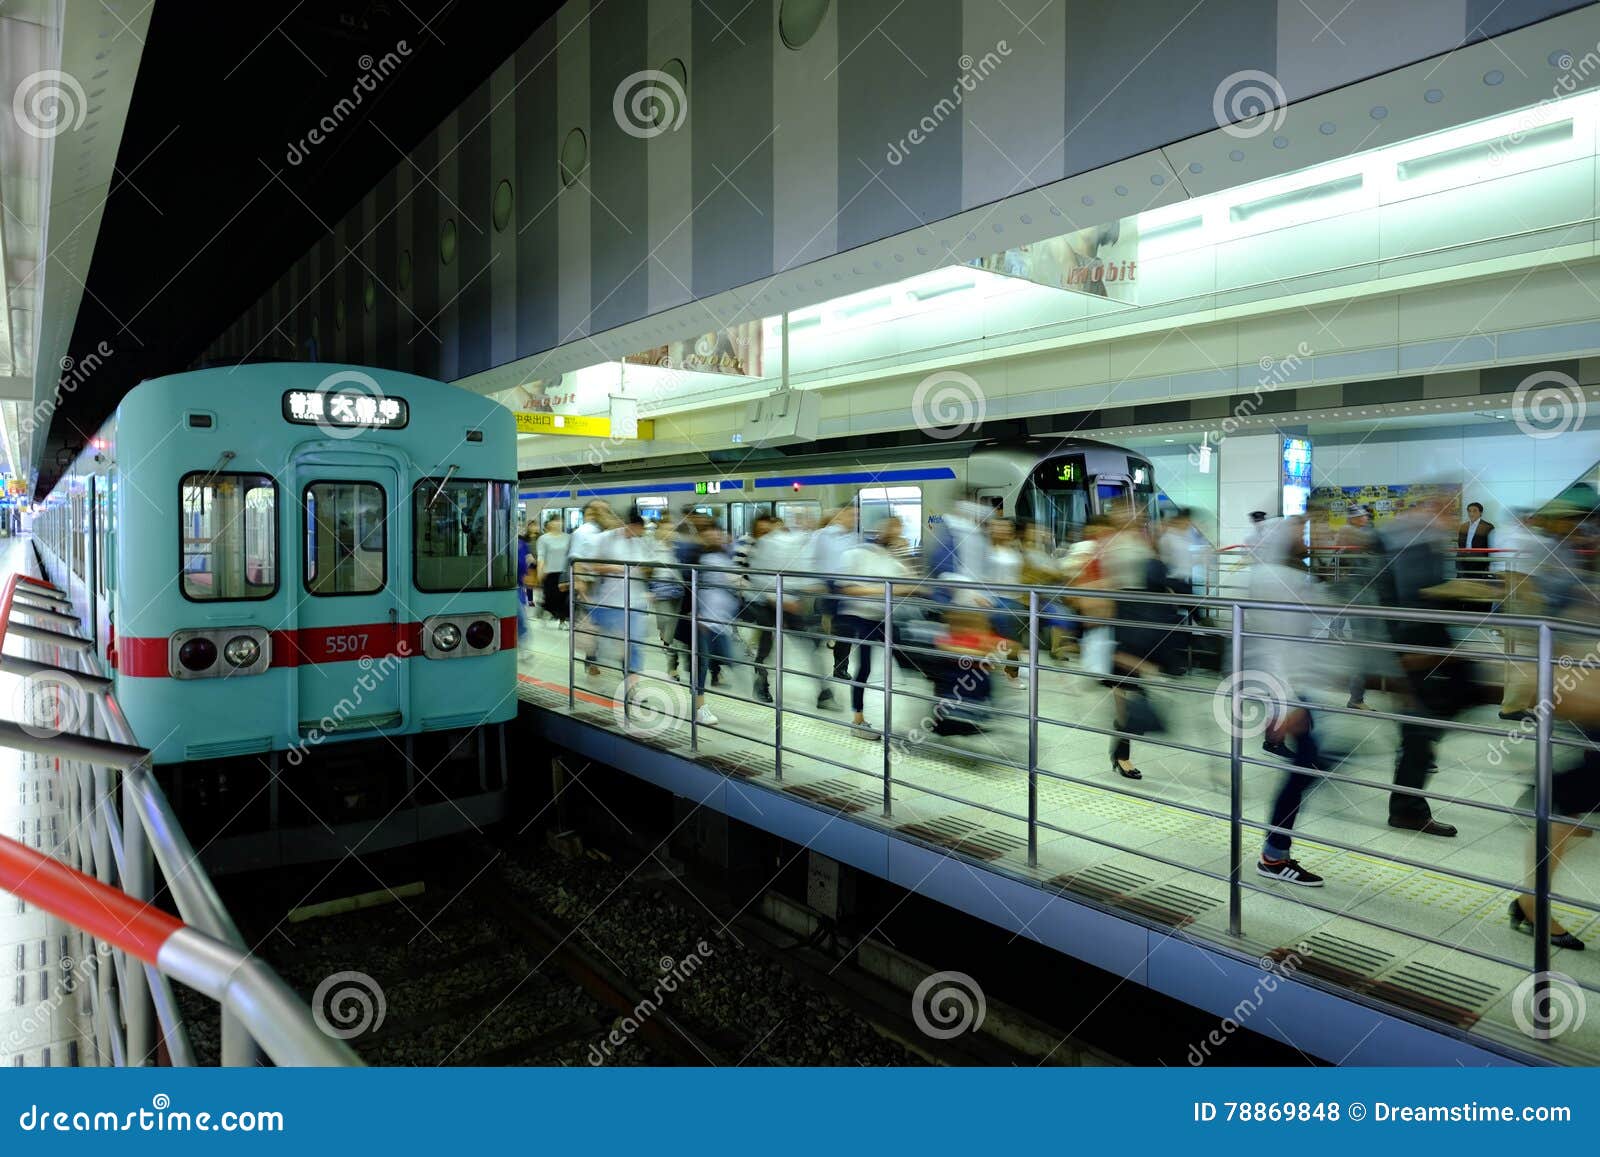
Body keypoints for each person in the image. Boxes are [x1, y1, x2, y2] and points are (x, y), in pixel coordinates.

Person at [1374, 494, 1468, 838]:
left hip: (1426, 650)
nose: (1446, 517)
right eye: (1442, 510)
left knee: (1423, 725)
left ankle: (1410, 797)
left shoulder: (1417, 542)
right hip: (1416, 651)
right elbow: (1408, 601)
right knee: (1418, 728)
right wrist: (1402, 656)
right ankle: (1407, 808)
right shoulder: (1410, 544)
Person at [1246, 516, 1330, 887]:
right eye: (1299, 532)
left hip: (1291, 687)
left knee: (1309, 764)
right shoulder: (1280, 581)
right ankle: (1274, 856)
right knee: (1307, 765)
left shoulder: (1284, 577)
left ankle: (1275, 852)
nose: (1306, 537)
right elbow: (1275, 644)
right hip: (1288, 688)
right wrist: (1289, 703)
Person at [834, 535, 917, 732]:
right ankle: (857, 718)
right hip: (861, 617)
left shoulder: (893, 563)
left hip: (883, 617)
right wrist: (884, 589)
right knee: (865, 667)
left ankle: (917, 715)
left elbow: (912, 586)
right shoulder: (858, 555)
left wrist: (905, 559)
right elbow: (848, 589)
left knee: (906, 661)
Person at [579, 506, 652, 690]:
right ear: (629, 525)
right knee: (612, 644)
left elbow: (646, 567)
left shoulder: (640, 542)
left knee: (633, 645)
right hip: (610, 602)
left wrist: (647, 575)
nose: (638, 533)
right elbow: (589, 565)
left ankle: (632, 687)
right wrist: (613, 568)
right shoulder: (605, 539)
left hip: (634, 602)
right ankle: (594, 661)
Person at [811, 507, 860, 708]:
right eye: (851, 515)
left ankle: (840, 667)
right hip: (826, 587)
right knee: (826, 629)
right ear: (839, 516)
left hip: (846, 587)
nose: (854, 519)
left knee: (846, 629)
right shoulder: (822, 536)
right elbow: (813, 561)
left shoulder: (854, 538)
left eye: (856, 516)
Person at [535, 515, 570, 628]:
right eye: (555, 521)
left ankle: (562, 621)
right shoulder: (544, 539)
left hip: (564, 573)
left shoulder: (568, 538)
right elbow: (541, 556)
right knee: (551, 598)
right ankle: (545, 609)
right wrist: (539, 571)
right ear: (549, 524)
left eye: (560, 521)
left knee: (564, 599)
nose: (558, 523)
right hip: (549, 573)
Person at [1457, 501, 1494, 576]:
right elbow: (1460, 544)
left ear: (1480, 513)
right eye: (1469, 511)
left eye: (1474, 511)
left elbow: (1490, 546)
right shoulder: (1463, 526)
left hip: (1479, 561)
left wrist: (1488, 564)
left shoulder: (1488, 527)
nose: (1471, 513)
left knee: (1478, 583)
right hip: (1464, 560)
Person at [516, 526, 536, 642]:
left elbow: (529, 560)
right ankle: (523, 645)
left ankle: (523, 646)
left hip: (519, 586)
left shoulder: (522, 544)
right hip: (511, 586)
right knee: (521, 618)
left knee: (521, 617)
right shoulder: (505, 544)